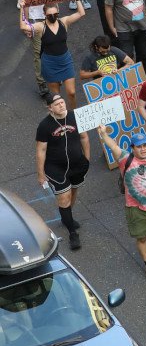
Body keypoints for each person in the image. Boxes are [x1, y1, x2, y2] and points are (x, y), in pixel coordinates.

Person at [98, 128, 146, 283]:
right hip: (135, 208)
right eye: (139, 146)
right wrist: (103, 133)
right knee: (141, 238)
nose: (143, 149)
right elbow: (113, 146)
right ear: (132, 148)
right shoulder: (125, 159)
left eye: (145, 145)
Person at [35, 94, 91, 251]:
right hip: (55, 168)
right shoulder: (44, 126)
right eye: (57, 104)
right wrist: (40, 174)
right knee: (64, 198)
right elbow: (41, 150)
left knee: (73, 191)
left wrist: (87, 159)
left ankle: (68, 217)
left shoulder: (75, 116)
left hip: (77, 164)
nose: (61, 105)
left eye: (62, 102)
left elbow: (84, 138)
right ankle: (72, 233)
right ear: (50, 108)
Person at [22, 0, 88, 111]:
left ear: (58, 11)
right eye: (49, 15)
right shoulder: (40, 26)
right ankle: (61, 115)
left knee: (71, 92)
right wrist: (22, 8)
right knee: (56, 97)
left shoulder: (64, 21)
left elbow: (81, 13)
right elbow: (23, 26)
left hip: (65, 61)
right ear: (44, 14)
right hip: (50, 63)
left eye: (55, 14)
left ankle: (74, 115)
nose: (53, 16)